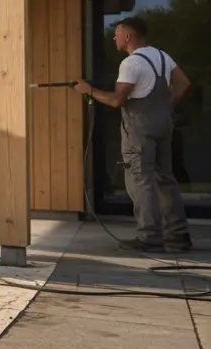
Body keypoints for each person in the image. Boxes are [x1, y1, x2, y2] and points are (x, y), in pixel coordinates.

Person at [75, 16, 192, 252]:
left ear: (127, 35)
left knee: (141, 180)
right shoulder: (161, 56)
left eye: (117, 33)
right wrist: (166, 106)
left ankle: (149, 236)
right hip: (163, 124)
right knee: (165, 178)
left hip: (140, 128)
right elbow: (183, 82)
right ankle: (179, 235)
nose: (115, 38)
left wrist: (89, 91)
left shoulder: (130, 64)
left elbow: (118, 100)